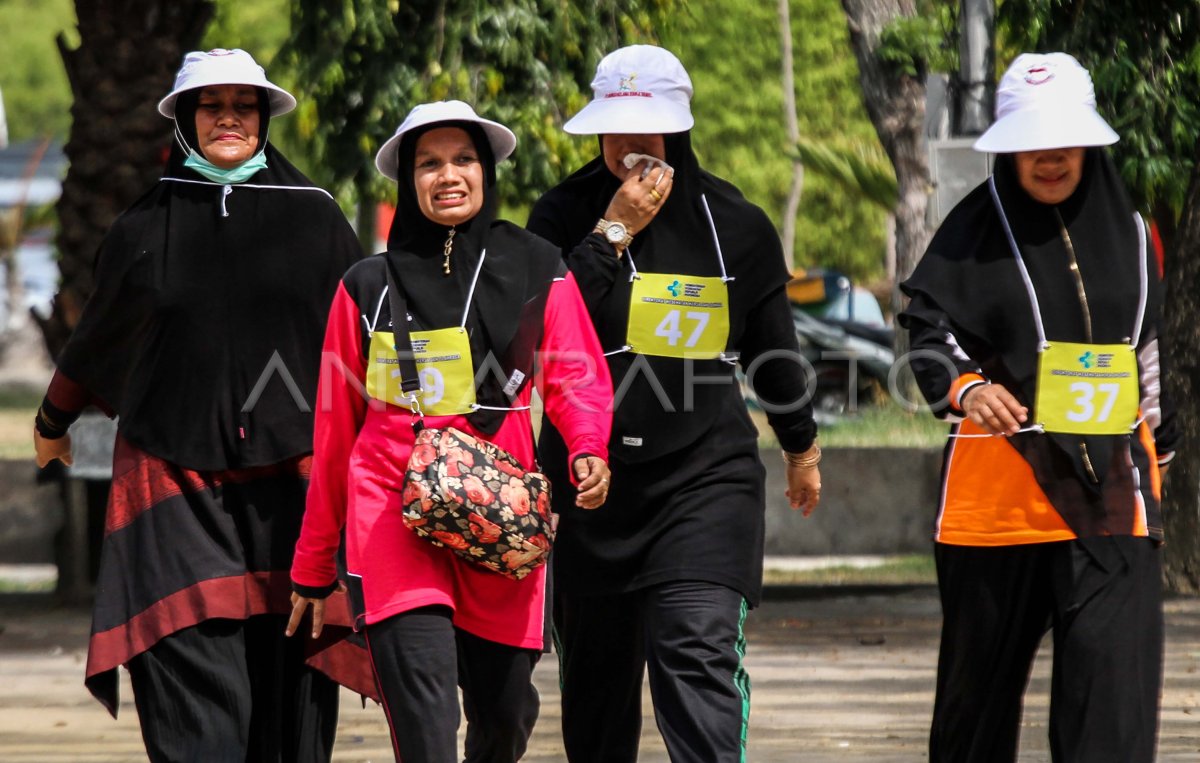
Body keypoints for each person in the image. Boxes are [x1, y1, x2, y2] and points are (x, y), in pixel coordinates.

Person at [31, 49, 365, 761]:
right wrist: (52, 419)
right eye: (211, 106)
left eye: (243, 106)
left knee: (290, 708)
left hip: (294, 496)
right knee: (196, 712)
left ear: (263, 118)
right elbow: (101, 336)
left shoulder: (318, 218)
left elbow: (364, 345)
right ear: (184, 119)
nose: (228, 119)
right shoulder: (143, 227)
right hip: (173, 488)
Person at [287, 100, 614, 763]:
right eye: (428, 163)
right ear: (407, 180)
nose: (448, 176)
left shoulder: (537, 265)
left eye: (463, 159)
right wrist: (313, 566)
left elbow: (576, 375)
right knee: (427, 725)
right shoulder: (364, 287)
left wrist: (587, 447)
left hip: (501, 518)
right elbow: (334, 433)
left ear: (487, 170)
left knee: (504, 715)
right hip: (392, 523)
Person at [527, 45, 822, 762]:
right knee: (597, 694)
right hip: (589, 490)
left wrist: (801, 448)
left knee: (695, 656)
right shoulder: (560, 216)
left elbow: (773, 350)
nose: (629, 148)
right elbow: (536, 330)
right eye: (615, 131)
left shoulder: (736, 223)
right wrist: (613, 230)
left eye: (647, 131)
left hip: (704, 482)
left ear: (680, 129)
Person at [899, 53, 1177, 763]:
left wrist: (1161, 459)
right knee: (974, 719)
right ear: (1008, 149)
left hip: (1114, 505)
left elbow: (1149, 359)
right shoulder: (970, 234)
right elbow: (929, 334)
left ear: (1089, 142)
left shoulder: (1137, 237)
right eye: (1032, 144)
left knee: (1110, 721)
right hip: (999, 512)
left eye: (1064, 140)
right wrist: (969, 386)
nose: (1049, 158)